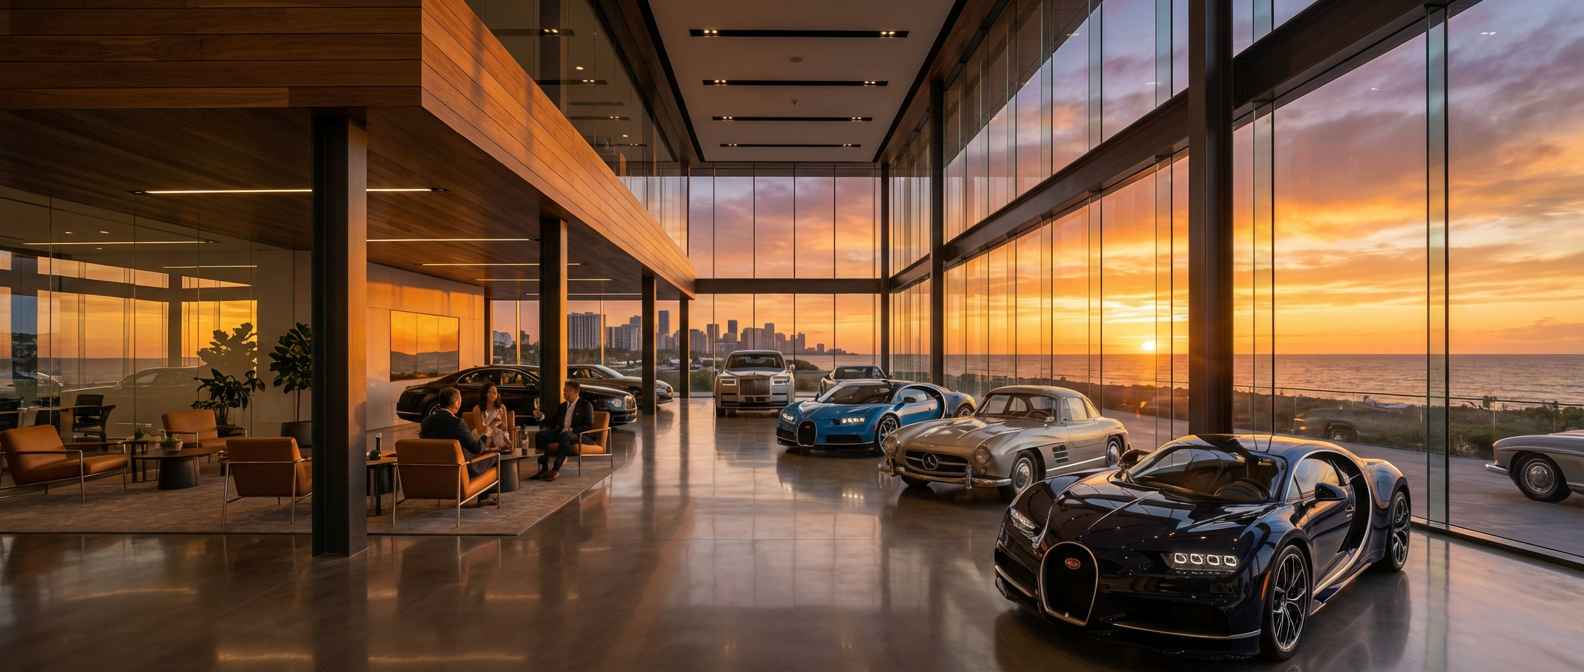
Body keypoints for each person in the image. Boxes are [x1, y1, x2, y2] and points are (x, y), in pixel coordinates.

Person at [420, 386, 498, 506]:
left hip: (434, 471)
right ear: (456, 403)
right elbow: (476, 448)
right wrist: (486, 435)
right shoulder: (457, 424)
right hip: (459, 469)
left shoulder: (426, 422)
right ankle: (483, 497)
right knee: (494, 456)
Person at [531, 380, 594, 482]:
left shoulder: (586, 405)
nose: (565, 393)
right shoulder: (563, 406)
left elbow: (589, 425)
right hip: (561, 432)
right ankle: (544, 468)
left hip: (578, 434)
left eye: (568, 391)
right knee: (540, 435)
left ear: (577, 392)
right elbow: (553, 421)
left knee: (565, 435)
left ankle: (555, 469)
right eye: (564, 390)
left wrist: (571, 430)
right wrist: (541, 418)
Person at [472, 382, 512, 452]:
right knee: (485, 437)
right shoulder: (477, 408)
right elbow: (480, 429)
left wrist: (500, 423)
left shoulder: (502, 407)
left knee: (503, 435)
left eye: (494, 393)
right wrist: (490, 430)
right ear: (485, 394)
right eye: (490, 392)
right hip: (483, 433)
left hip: (496, 431)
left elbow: (505, 428)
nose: (492, 395)